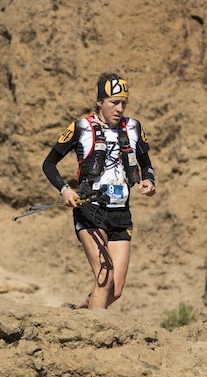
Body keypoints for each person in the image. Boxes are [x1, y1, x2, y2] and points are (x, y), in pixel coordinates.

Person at [42, 72, 156, 310]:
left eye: (123, 103)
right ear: (100, 101)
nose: (119, 108)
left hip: (121, 214)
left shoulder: (134, 127)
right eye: (114, 102)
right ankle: (94, 341)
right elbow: (49, 163)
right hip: (90, 210)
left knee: (115, 289)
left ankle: (80, 311)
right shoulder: (81, 128)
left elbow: (146, 163)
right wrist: (64, 189)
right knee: (105, 277)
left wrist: (149, 180)